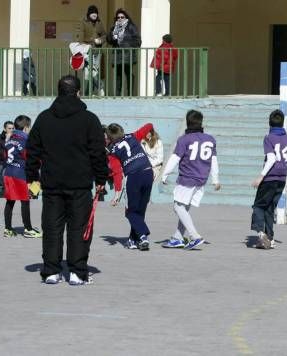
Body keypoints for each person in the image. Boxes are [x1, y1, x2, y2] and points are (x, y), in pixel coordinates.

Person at [26, 75, 107, 285]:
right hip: (79, 184)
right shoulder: (89, 119)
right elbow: (98, 152)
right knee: (79, 228)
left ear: (59, 91)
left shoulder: (44, 118)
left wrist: (32, 180)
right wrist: (101, 179)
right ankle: (77, 272)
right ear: (78, 92)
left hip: (52, 184)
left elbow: (32, 152)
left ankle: (52, 271)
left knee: (52, 227)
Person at [161, 110, 220, 250]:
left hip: (187, 178)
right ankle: (177, 238)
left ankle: (195, 236)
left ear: (188, 122)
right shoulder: (210, 139)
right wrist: (215, 179)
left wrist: (165, 174)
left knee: (178, 207)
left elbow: (175, 158)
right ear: (201, 122)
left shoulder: (184, 140)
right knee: (184, 208)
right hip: (201, 179)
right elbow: (214, 161)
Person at [251, 109, 287, 249]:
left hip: (270, 177)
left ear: (269, 123)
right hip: (282, 178)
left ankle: (260, 234)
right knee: (270, 208)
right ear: (283, 123)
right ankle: (270, 238)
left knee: (259, 206)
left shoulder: (269, 138)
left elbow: (271, 158)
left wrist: (261, 176)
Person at [106, 122, 154, 251]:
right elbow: (149, 125)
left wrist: (117, 194)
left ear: (110, 138)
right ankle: (133, 240)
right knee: (140, 210)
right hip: (148, 173)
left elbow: (117, 173)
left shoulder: (112, 152)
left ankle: (143, 235)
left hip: (134, 177)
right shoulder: (133, 136)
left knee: (131, 212)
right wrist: (150, 133)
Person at [3, 115, 41, 238]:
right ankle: (28, 229)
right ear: (26, 127)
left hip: (8, 172)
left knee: (10, 201)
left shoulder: (10, 138)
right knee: (25, 201)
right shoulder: (26, 139)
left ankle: (8, 229)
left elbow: (5, 155)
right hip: (20, 173)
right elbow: (30, 158)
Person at [107, 8, 141, 96]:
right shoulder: (114, 28)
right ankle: (118, 95)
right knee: (118, 75)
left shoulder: (131, 27)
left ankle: (130, 94)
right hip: (118, 55)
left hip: (127, 55)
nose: (120, 19)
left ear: (126, 17)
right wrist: (113, 37)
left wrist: (127, 44)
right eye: (118, 17)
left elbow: (138, 41)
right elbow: (109, 40)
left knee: (128, 74)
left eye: (122, 17)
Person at [78, 5, 106, 96]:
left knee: (94, 72)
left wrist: (100, 40)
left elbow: (104, 35)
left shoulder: (99, 22)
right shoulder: (83, 22)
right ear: (89, 14)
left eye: (96, 13)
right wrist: (87, 43)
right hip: (87, 51)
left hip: (97, 51)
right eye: (92, 13)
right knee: (89, 72)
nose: (94, 15)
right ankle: (100, 88)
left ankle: (88, 93)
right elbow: (80, 37)